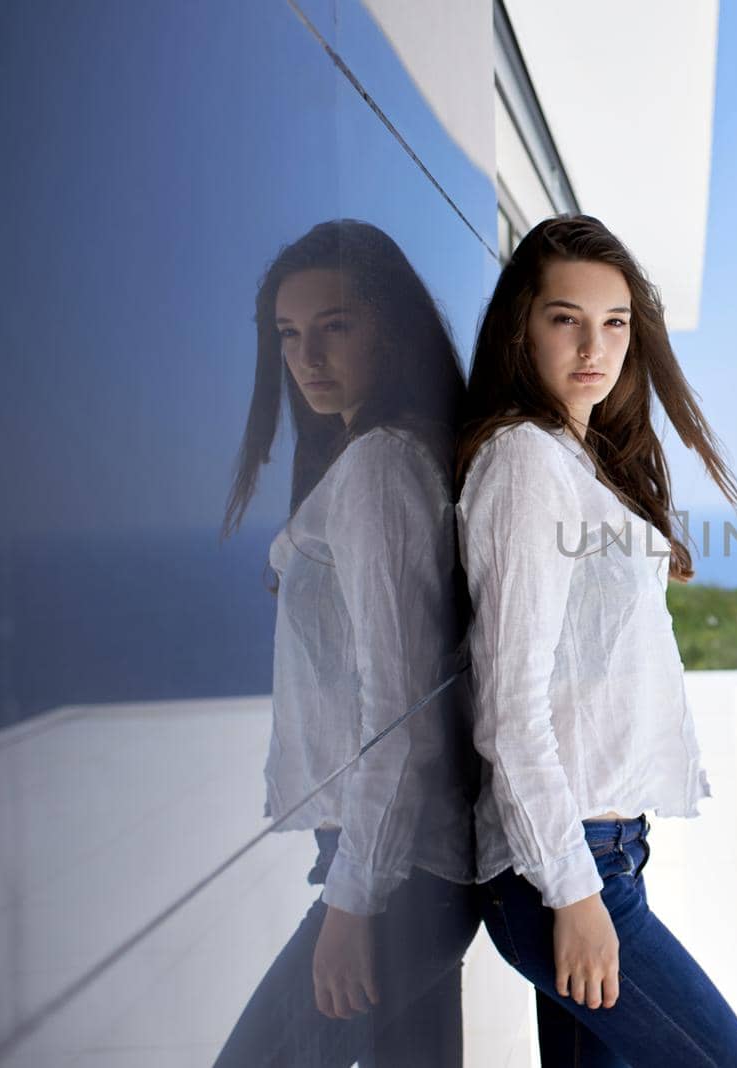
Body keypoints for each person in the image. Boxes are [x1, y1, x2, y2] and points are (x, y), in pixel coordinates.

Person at [455, 214, 737, 1066]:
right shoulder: (525, 462)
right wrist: (574, 890)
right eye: (566, 318)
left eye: (615, 323)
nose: (595, 345)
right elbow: (508, 703)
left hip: (604, 851)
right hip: (562, 867)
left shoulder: (579, 457)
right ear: (522, 327)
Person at [215, 219, 480, 1066]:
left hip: (391, 878)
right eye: (289, 335)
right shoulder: (384, 461)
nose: (307, 357)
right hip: (408, 868)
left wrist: (352, 904)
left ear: (389, 326)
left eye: (336, 325)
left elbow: (396, 713)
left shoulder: (378, 468)